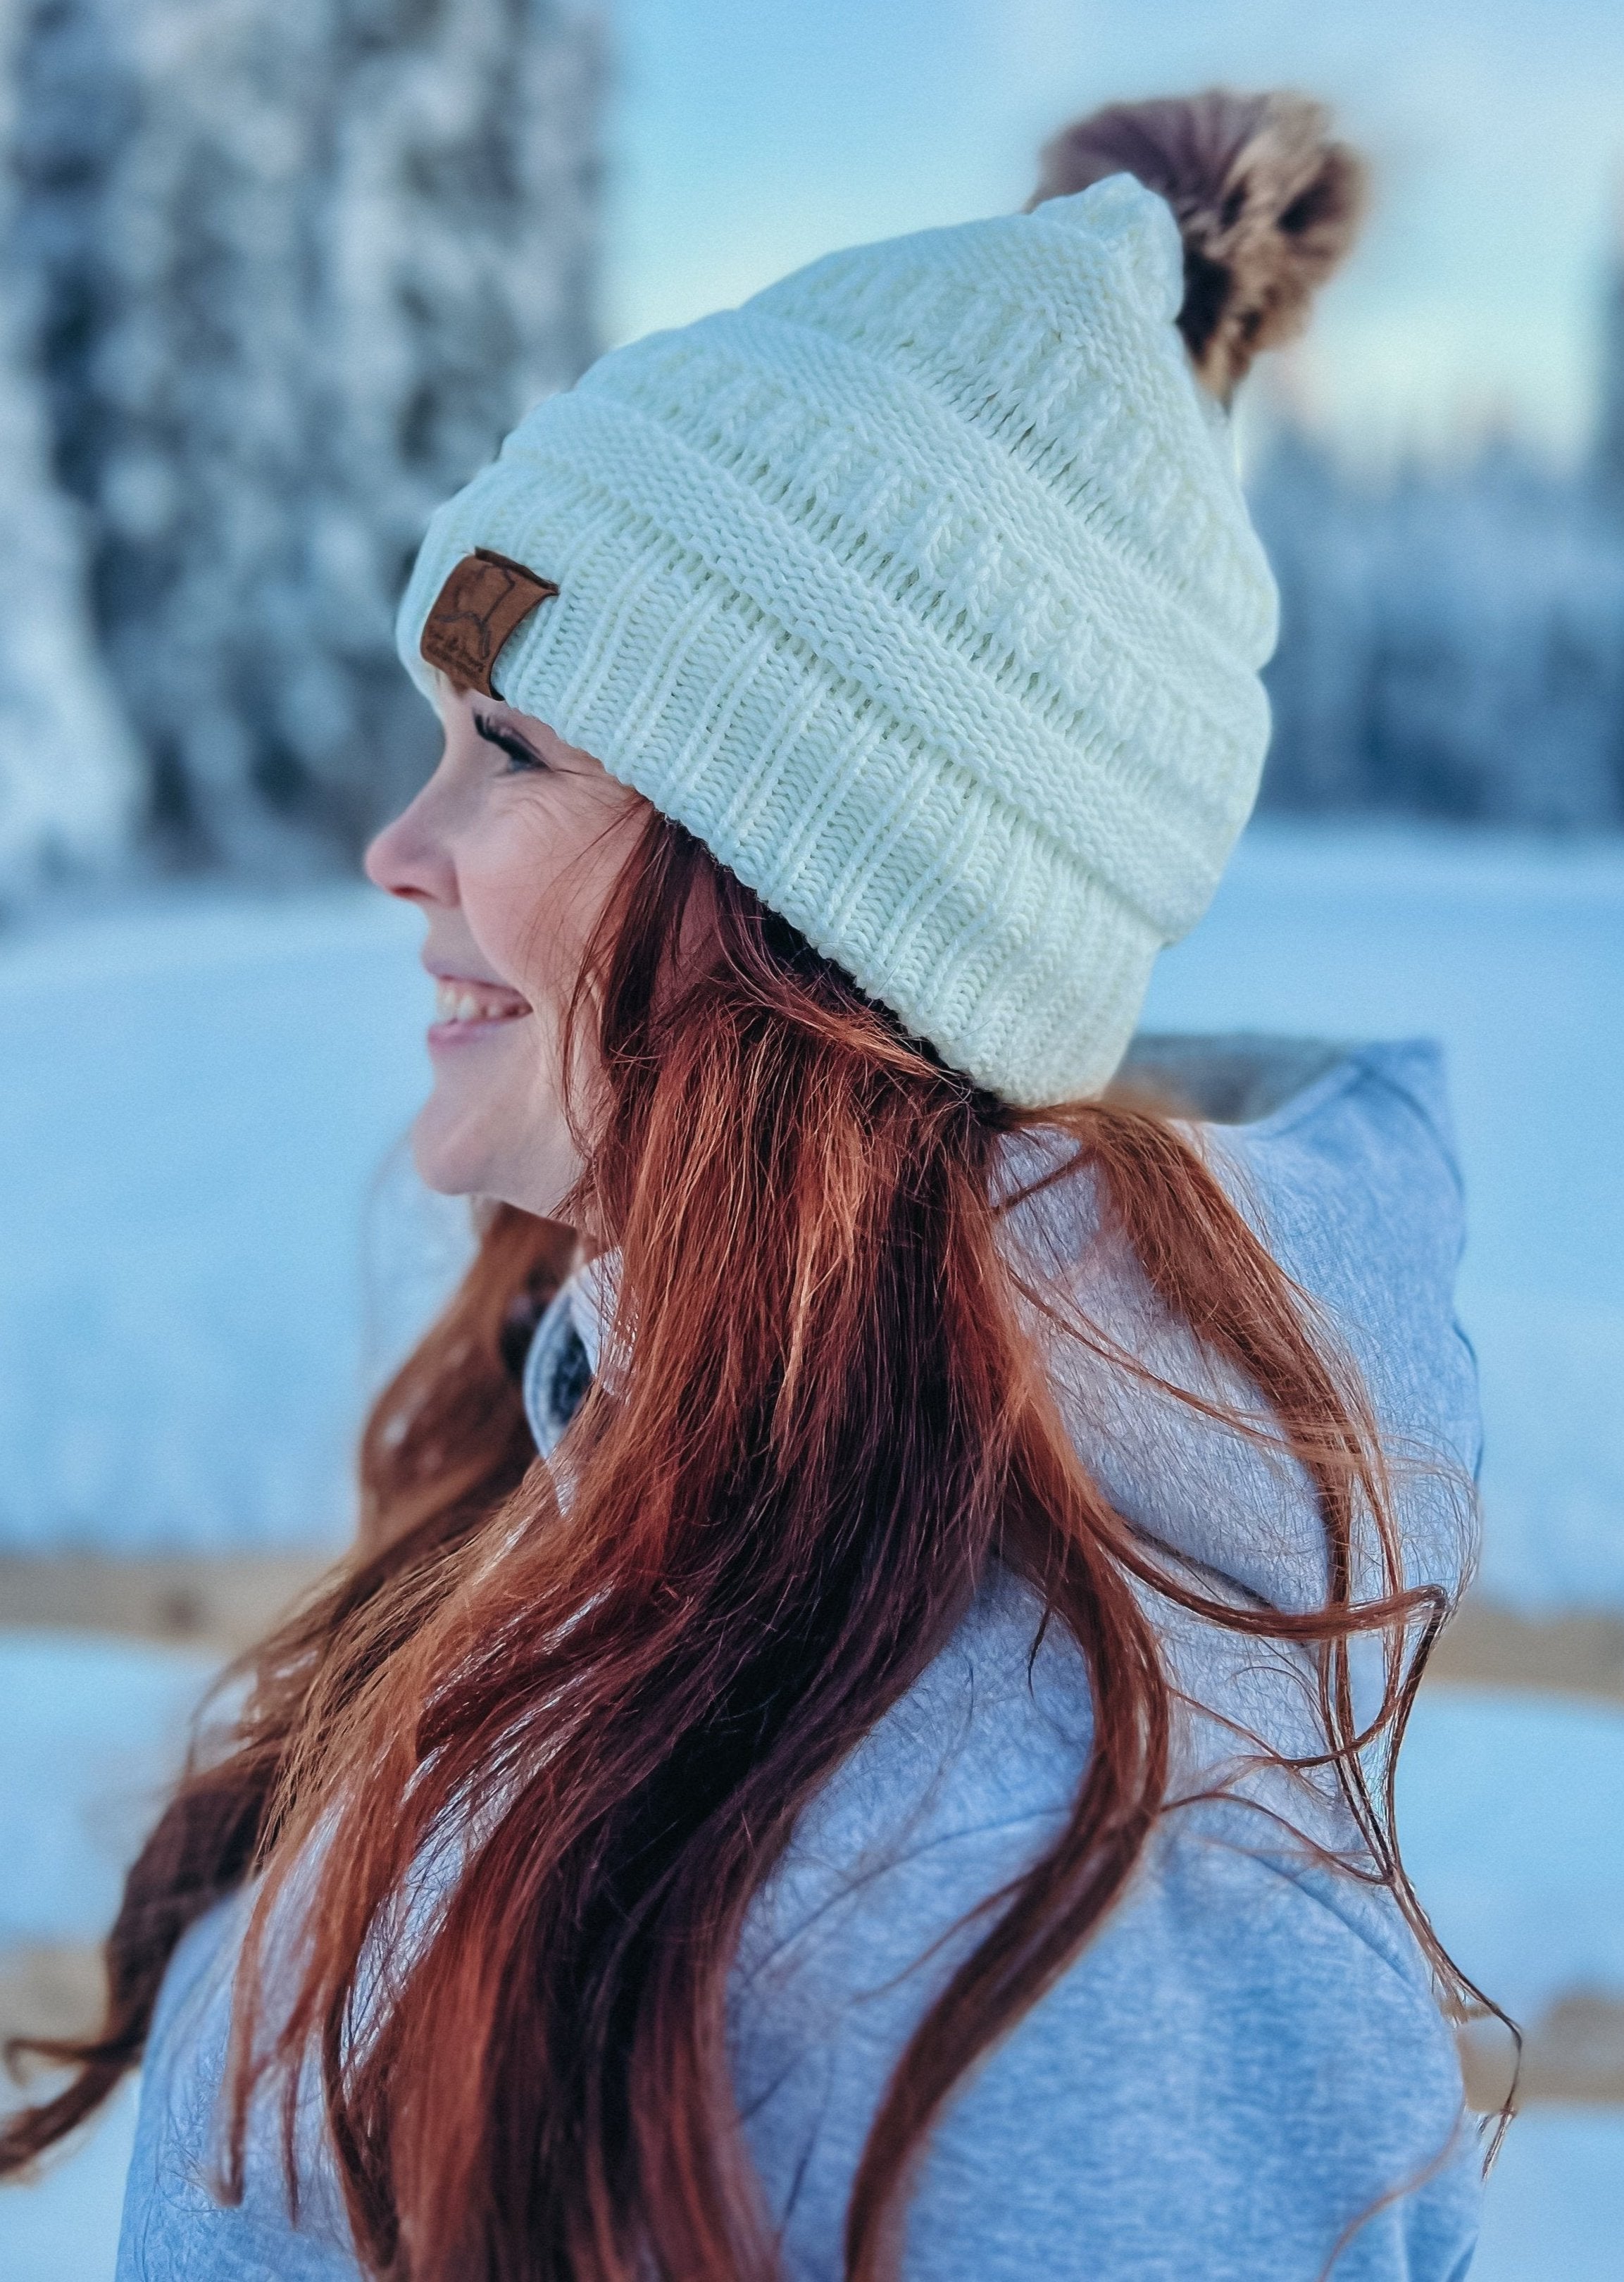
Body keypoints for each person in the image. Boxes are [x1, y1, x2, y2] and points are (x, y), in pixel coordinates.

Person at [4, 89, 1486, 2281]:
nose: (396, 850)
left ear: (810, 908)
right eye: (442, 735)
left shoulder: (1071, 1950)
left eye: (510, 751)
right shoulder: (619, 1482)